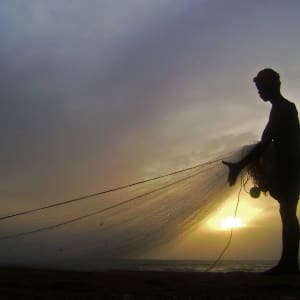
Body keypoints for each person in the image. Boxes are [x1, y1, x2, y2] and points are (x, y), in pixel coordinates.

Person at [223, 68, 300, 274]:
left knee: (288, 213)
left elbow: (265, 144)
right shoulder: (281, 108)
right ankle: (289, 263)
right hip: (289, 167)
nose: (259, 92)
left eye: (260, 88)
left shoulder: (283, 109)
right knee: (287, 212)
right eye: (258, 89)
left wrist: (240, 166)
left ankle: (289, 264)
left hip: (290, 169)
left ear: (272, 85)